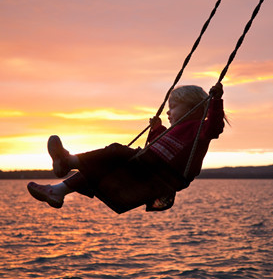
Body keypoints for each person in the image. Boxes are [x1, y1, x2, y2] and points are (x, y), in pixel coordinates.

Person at [27, 83, 225, 213]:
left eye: (173, 107)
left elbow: (215, 127)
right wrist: (156, 129)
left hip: (164, 173)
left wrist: (216, 101)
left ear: (193, 107)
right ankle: (58, 191)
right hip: (151, 168)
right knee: (103, 170)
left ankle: (69, 161)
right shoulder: (173, 131)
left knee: (115, 151)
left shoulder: (199, 128)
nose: (168, 112)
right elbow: (161, 146)